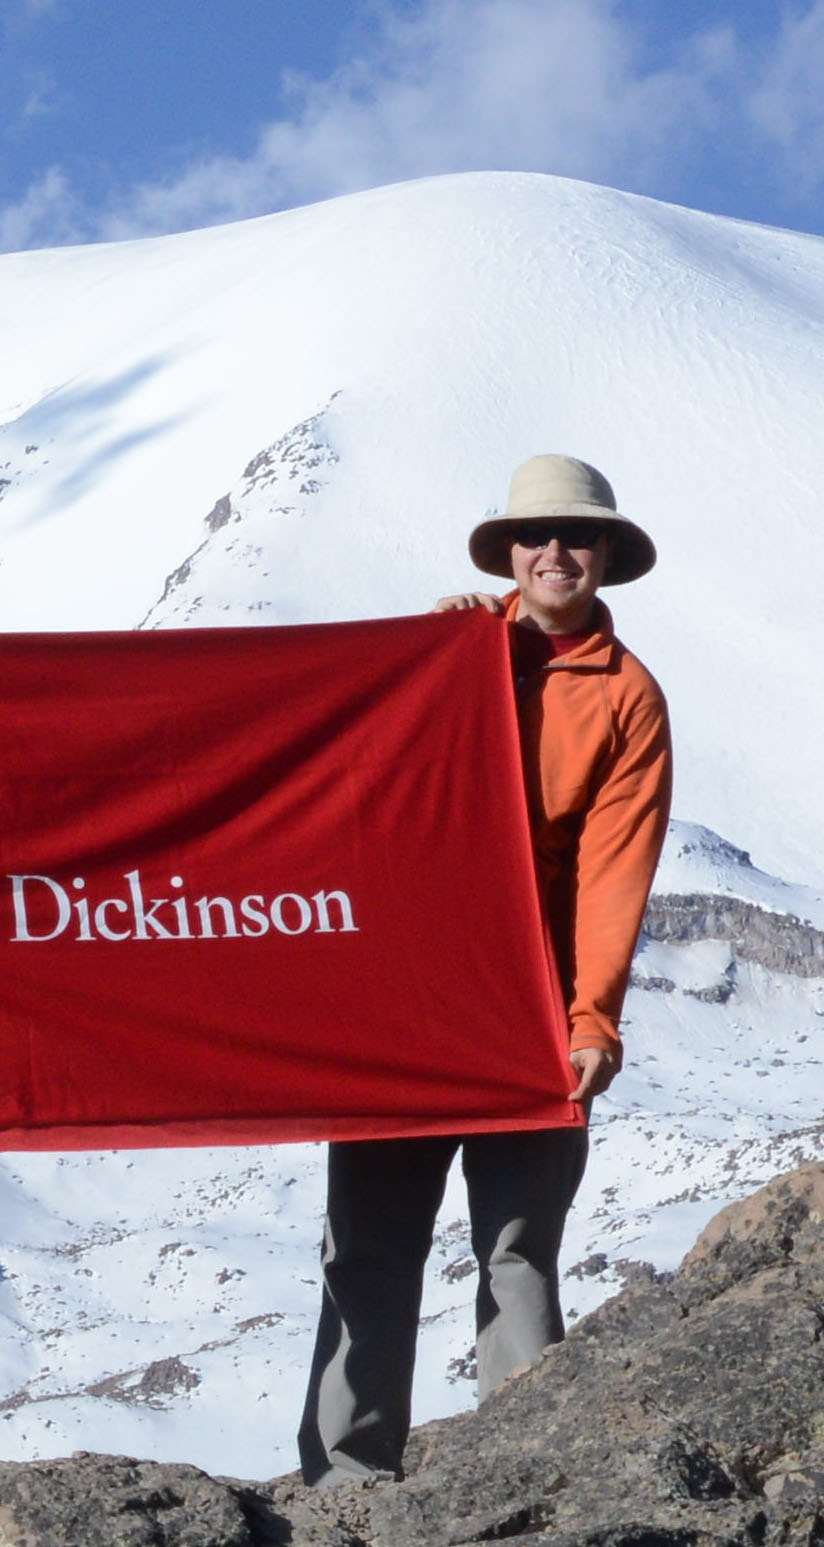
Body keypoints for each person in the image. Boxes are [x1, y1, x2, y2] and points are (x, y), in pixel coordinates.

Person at [298, 454, 673, 1485]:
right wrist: (438, 652)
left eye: (577, 537)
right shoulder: (451, 650)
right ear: (510, 553)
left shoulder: (628, 697)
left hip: (534, 1008)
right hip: (405, 1002)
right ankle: (344, 1478)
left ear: (604, 556)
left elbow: (613, 868)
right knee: (368, 1246)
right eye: (535, 537)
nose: (556, 553)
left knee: (517, 1252)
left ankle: (525, 1473)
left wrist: (590, 1018)